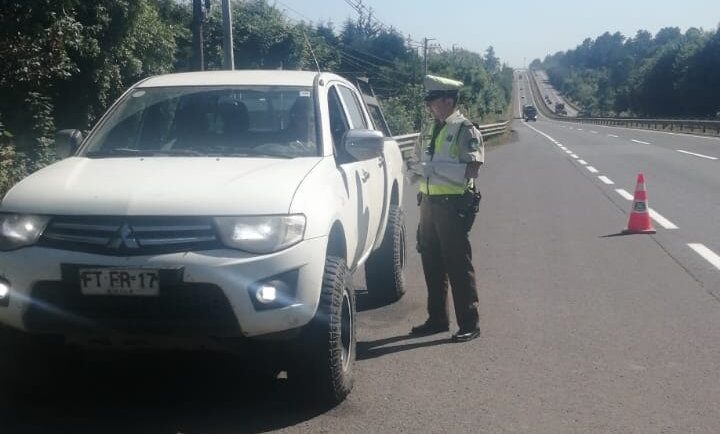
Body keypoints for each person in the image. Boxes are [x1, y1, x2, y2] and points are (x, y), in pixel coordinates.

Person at [406, 74, 484, 343]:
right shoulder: (429, 128)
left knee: (457, 265)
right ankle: (437, 318)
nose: (430, 107)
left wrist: (432, 170)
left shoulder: (465, 130)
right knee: (431, 262)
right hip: (428, 204)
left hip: (453, 206)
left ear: (449, 100)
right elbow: (418, 160)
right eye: (428, 102)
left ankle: (469, 322)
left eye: (434, 101)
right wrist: (414, 170)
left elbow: (472, 169)